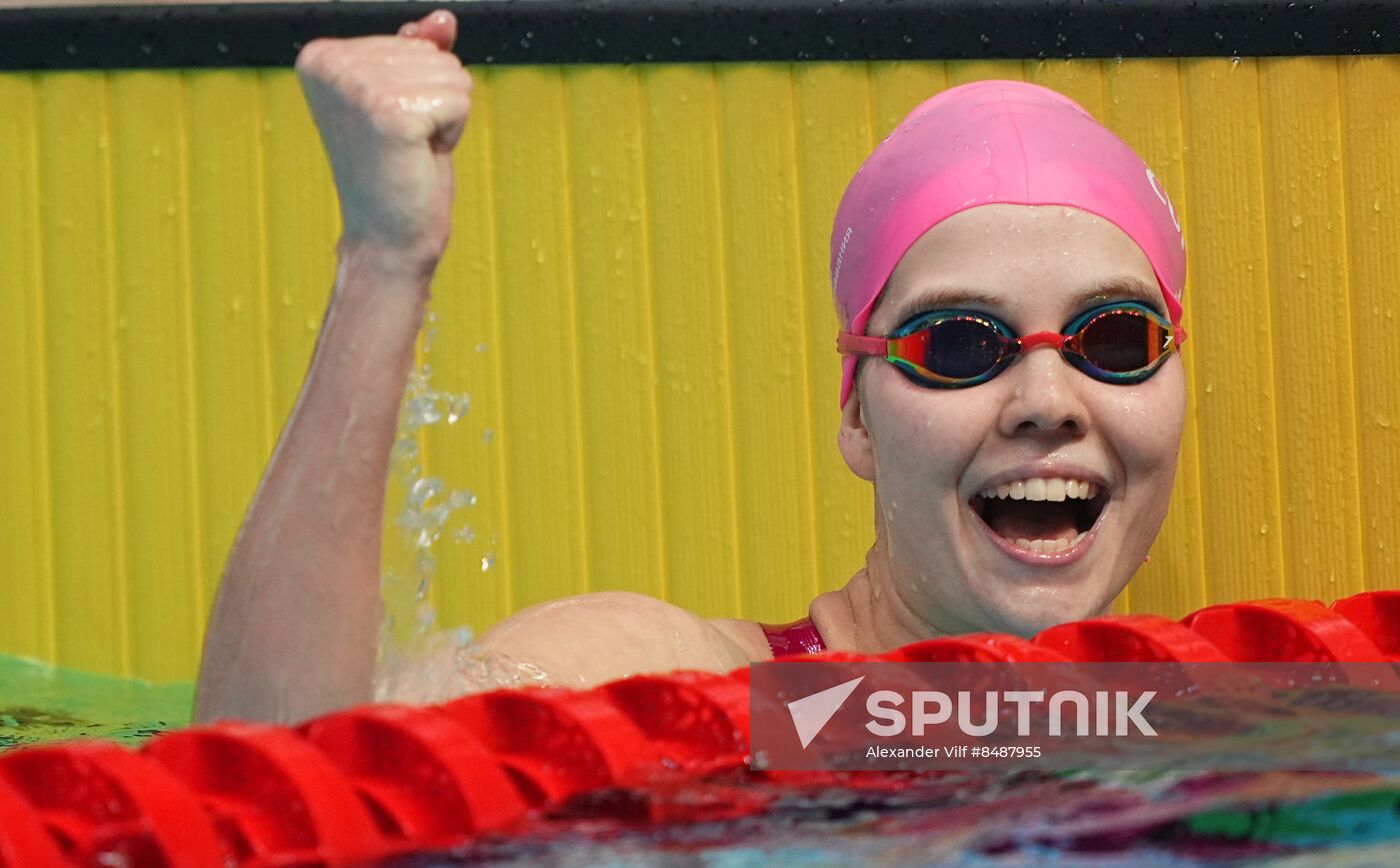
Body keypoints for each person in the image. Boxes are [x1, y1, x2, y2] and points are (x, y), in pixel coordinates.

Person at [194, 9, 1186, 724]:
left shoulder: (1204, 718)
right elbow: (289, 786)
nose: (1048, 401)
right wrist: (381, 259)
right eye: (960, 344)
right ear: (855, 416)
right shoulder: (677, 680)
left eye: (1113, 339)